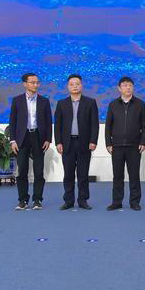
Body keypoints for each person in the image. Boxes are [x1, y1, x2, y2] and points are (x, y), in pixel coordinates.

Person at [54, 74, 99, 210]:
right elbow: (58, 125)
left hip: (84, 143)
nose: (75, 86)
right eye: (72, 84)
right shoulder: (61, 103)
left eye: (77, 84)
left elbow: (94, 124)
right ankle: (68, 201)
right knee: (68, 174)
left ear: (82, 86)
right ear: (68, 87)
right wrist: (58, 142)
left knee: (83, 174)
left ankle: (83, 200)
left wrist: (93, 141)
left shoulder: (90, 102)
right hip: (67, 143)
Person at [9, 73, 52, 210]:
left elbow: (48, 122)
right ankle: (23, 200)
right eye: (32, 82)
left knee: (39, 171)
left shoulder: (44, 101)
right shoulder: (17, 100)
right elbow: (12, 121)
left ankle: (37, 200)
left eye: (37, 82)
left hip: (38, 137)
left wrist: (48, 139)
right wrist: (12, 140)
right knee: (22, 171)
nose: (36, 85)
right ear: (25, 84)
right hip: (22, 138)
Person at [105, 77, 145, 211]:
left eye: (130, 85)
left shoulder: (140, 104)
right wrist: (108, 143)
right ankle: (116, 202)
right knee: (117, 176)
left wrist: (143, 141)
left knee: (134, 175)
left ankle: (134, 202)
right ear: (119, 88)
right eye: (125, 85)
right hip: (116, 146)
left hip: (134, 146)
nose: (128, 87)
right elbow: (108, 125)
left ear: (133, 87)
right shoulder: (113, 105)